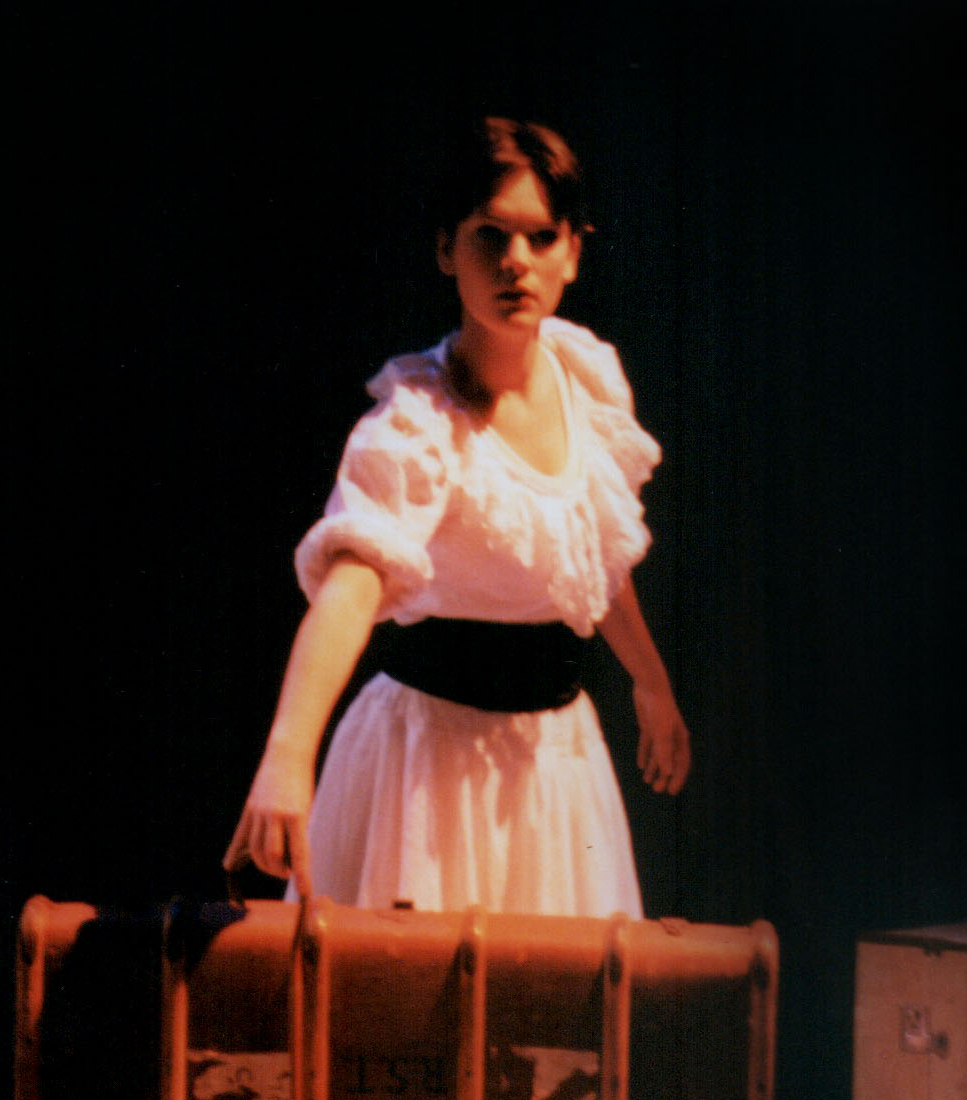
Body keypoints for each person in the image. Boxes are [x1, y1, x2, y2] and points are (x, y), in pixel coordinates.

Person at [224, 117, 689, 918]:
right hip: (427, 769)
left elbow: (592, 559)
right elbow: (351, 589)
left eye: (541, 237)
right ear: (447, 249)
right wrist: (287, 756)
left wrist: (651, 681)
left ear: (573, 253)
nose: (516, 261)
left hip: (552, 764)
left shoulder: (584, 381)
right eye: (490, 236)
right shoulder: (418, 422)